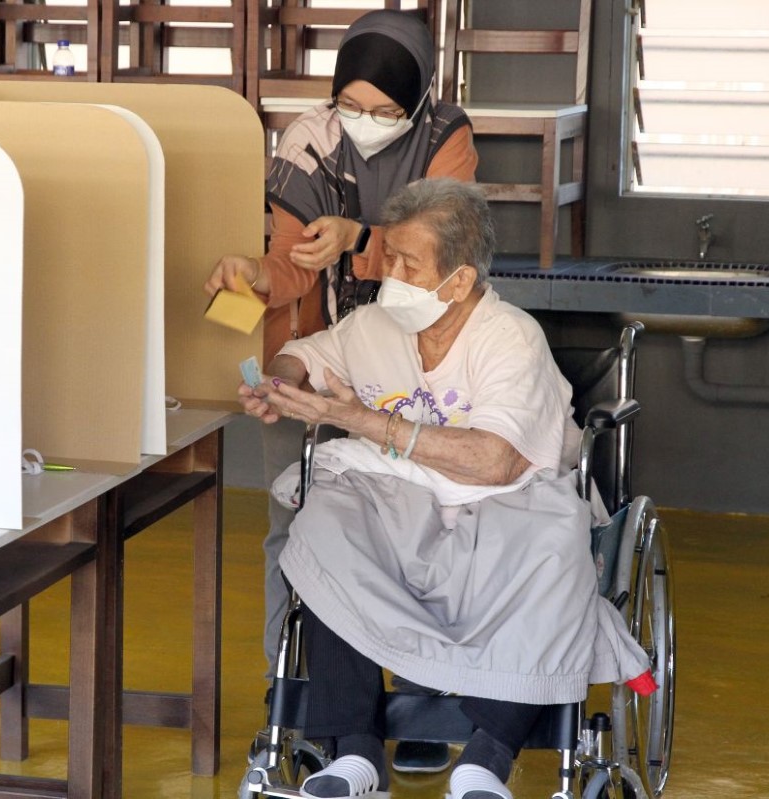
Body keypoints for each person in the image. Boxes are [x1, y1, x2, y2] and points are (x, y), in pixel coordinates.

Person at [240, 179, 655, 799]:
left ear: (458, 281)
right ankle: (355, 756)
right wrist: (277, 383)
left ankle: (484, 762)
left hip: (505, 502)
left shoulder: (510, 338)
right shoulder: (374, 325)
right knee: (322, 527)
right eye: (391, 259)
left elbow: (495, 461)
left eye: (409, 264)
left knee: (555, 549)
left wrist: (365, 420)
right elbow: (303, 354)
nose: (392, 276)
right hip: (396, 499)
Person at [205, 9, 478, 772]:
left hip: (416, 363)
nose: (366, 124)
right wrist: (261, 272)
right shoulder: (307, 140)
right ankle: (291, 686)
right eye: (352, 106)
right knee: (294, 525)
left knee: (418, 522)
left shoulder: (446, 137)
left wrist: (359, 237)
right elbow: (291, 265)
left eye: (386, 112)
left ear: (417, 103)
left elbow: (445, 251)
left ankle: (423, 697)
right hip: (316, 354)